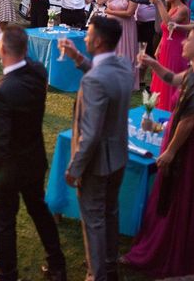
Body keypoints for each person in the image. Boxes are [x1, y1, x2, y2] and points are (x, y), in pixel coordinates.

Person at [0, 24, 67, 281]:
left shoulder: (1, 92)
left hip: (8, 173)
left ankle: (7, 275)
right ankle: (58, 265)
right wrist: (0, 34)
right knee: (40, 211)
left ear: (1, 50)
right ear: (26, 49)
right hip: (34, 161)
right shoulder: (39, 73)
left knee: (4, 223)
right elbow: (23, 56)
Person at [61, 17, 133, 281]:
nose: (86, 38)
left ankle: (97, 275)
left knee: (94, 221)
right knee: (110, 212)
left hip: (96, 164)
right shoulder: (123, 65)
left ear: (100, 40)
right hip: (119, 156)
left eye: (88, 34)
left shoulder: (94, 82)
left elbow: (89, 135)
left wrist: (74, 168)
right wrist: (78, 57)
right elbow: (102, 76)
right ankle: (110, 265)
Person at [121, 33, 194, 277]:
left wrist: (171, 152)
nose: (184, 42)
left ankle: (168, 248)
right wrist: (153, 63)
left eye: (189, 39)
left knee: (176, 195)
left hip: (184, 149)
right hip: (175, 138)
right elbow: (173, 78)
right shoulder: (191, 72)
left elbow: (189, 120)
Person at [149, 0, 190, 111]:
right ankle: (159, 107)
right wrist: (159, 46)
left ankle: (170, 110)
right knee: (160, 79)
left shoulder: (183, 9)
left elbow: (169, 24)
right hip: (166, 47)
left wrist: (158, 3)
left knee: (170, 80)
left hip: (176, 50)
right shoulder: (170, 8)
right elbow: (166, 32)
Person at [105, 0, 139, 90]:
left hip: (125, 27)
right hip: (111, 27)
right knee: (112, 51)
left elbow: (129, 13)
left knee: (124, 52)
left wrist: (110, 12)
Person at [135, 0, 161, 84]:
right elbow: (138, 1)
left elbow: (148, 1)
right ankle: (139, 79)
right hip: (139, 22)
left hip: (150, 24)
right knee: (140, 50)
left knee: (148, 52)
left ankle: (146, 81)